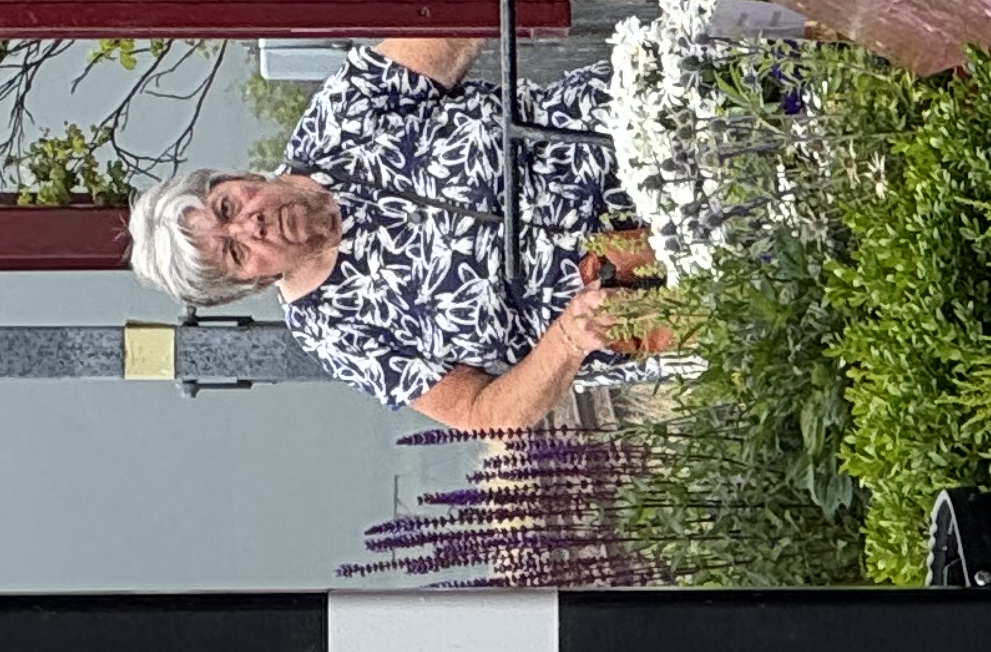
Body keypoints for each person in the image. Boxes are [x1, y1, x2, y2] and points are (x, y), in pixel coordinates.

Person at [124, 36, 665, 431]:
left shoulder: (337, 120)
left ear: (236, 177)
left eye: (227, 206)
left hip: (644, 130)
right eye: (237, 250)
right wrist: (567, 341)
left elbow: (458, 22)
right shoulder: (336, 333)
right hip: (635, 298)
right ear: (252, 283)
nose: (251, 224)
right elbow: (483, 413)